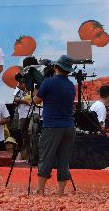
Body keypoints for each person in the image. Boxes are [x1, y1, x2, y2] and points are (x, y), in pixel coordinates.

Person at [33, 55, 77, 196]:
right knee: (64, 159)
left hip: (52, 126)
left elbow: (37, 101)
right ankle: (60, 192)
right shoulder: (71, 86)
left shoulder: (48, 83)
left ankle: (40, 190)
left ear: (56, 67)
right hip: (69, 126)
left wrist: (35, 90)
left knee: (46, 157)